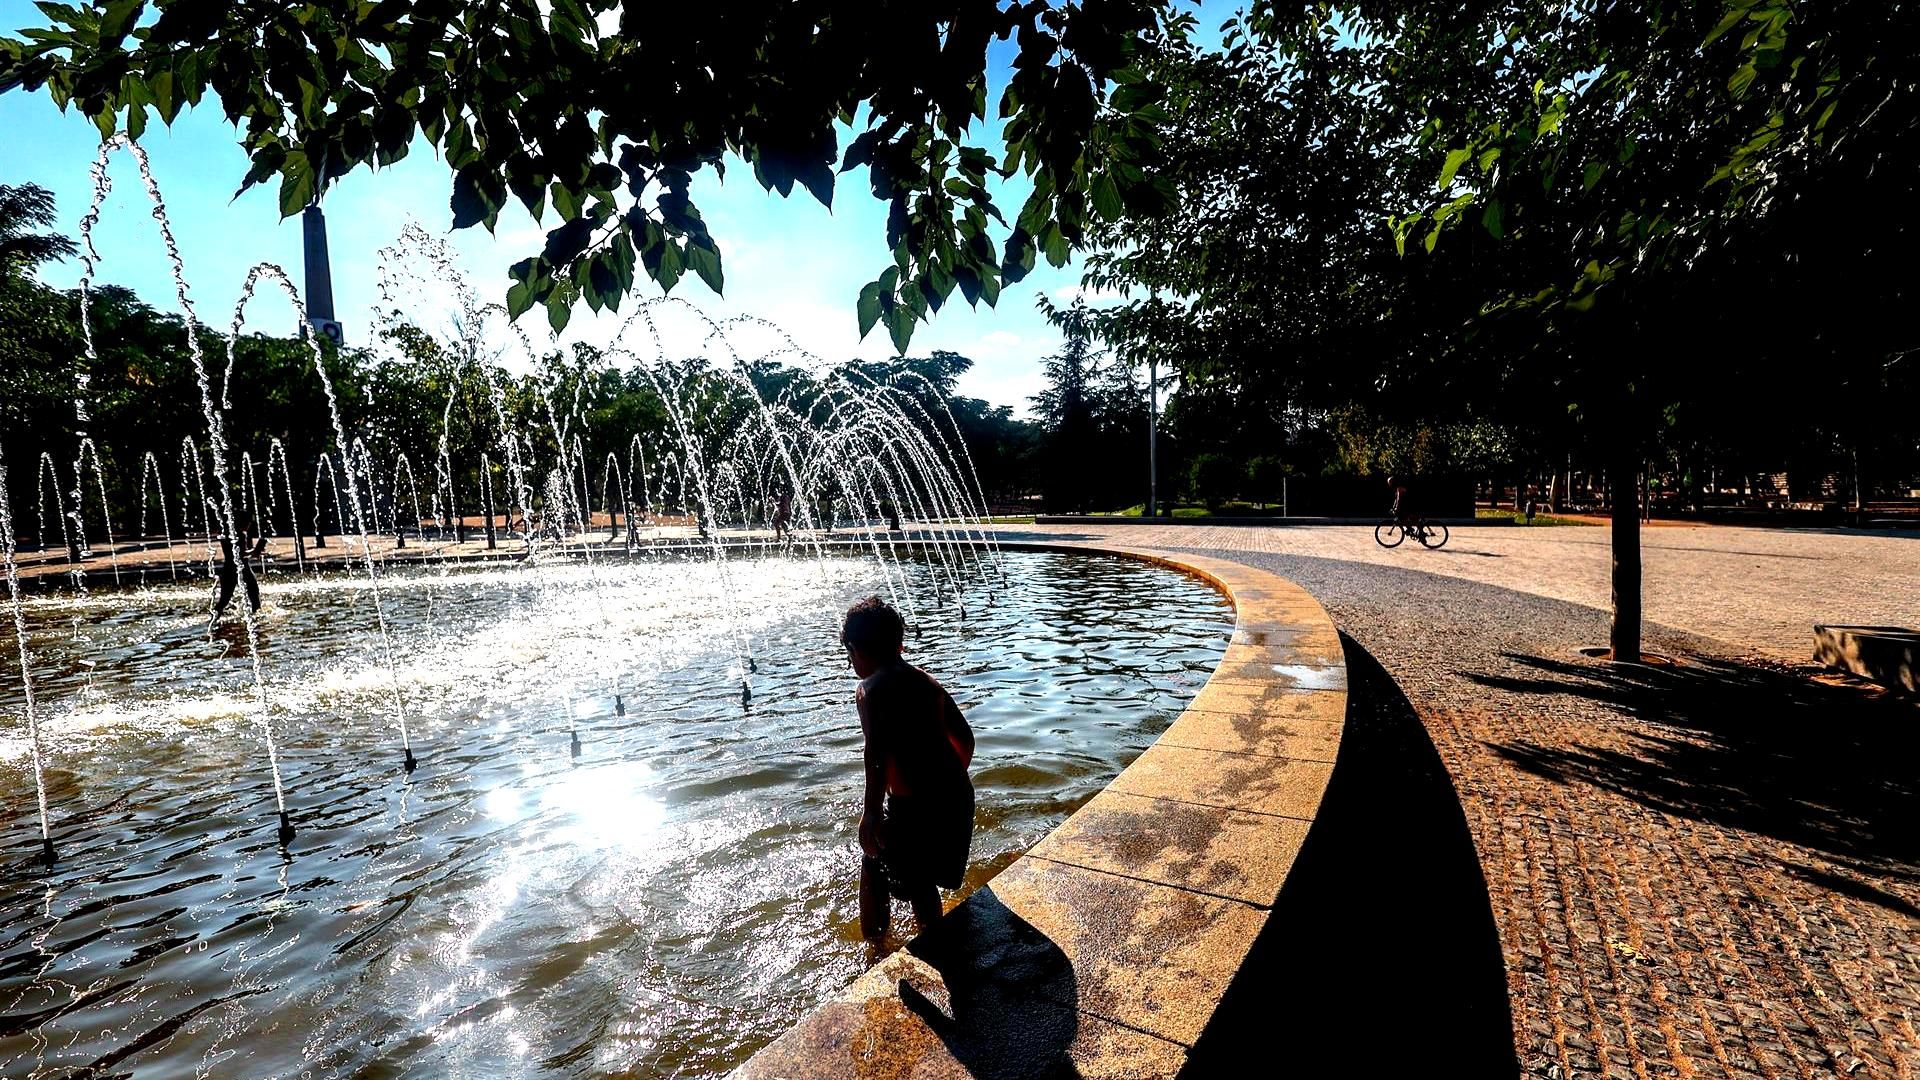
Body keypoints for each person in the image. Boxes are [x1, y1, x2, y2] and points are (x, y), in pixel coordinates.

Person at [843, 596, 974, 940]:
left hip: (913, 806)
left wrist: (870, 814)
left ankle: (877, 945)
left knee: (876, 862)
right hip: (955, 798)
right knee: (919, 877)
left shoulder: (869, 690)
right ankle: (931, 937)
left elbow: (875, 754)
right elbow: (965, 738)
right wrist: (945, 784)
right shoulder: (927, 682)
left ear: (856, 650)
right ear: (899, 643)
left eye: (849, 655)